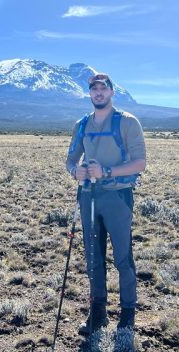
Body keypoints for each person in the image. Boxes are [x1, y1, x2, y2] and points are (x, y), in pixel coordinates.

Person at [66, 73, 146, 336]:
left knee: (123, 257)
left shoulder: (127, 122)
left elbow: (140, 163)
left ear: (112, 92)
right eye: (94, 89)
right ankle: (97, 313)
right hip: (89, 196)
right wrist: (74, 170)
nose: (99, 93)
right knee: (93, 257)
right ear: (89, 93)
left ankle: (127, 314)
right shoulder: (81, 124)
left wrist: (107, 172)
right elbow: (70, 160)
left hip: (117, 197)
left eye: (103, 89)